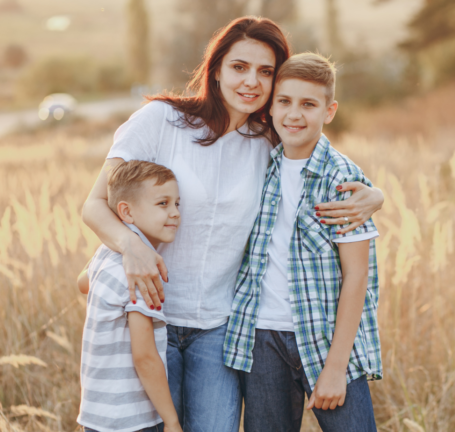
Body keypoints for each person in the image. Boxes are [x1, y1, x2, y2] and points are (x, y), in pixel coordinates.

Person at [81, 17, 384, 432]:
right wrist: (130, 246)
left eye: (265, 72)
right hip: (152, 316)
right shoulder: (160, 121)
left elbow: (317, 152)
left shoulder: (268, 139)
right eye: (239, 67)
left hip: (218, 331)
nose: (251, 82)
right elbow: (96, 204)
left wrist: (374, 194)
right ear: (217, 68)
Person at [224, 53, 381, 432]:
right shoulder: (264, 165)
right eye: (285, 102)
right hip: (261, 341)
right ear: (271, 106)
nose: (294, 114)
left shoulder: (341, 177)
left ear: (329, 111)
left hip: (326, 340)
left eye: (308, 104)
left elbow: (357, 276)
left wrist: (336, 368)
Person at [77, 160, 182, 432]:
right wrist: (171, 421)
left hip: (97, 413)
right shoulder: (141, 271)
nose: (175, 213)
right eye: (163, 204)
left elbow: (82, 282)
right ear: (127, 211)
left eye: (177, 204)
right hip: (132, 419)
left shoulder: (110, 252)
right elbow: (144, 356)